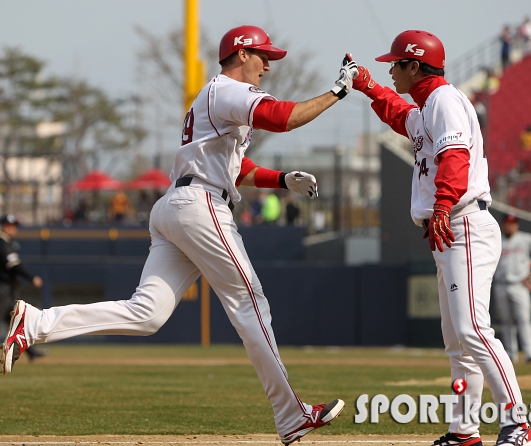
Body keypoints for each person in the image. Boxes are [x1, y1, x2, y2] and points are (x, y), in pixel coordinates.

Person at [1, 25, 357, 445]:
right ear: (241, 54)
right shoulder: (226, 89)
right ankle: (291, 413)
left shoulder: (216, 98)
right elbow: (282, 118)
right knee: (250, 302)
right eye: (264, 56)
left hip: (179, 204)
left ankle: (37, 322)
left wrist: (281, 179)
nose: (268, 66)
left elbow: (235, 168)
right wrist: (338, 91)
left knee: (146, 314)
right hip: (200, 206)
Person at [351, 30, 531, 446]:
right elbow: (399, 114)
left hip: (463, 220)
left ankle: (520, 426)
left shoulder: (444, 100)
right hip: (450, 225)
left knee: (473, 328)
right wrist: (367, 85)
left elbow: (456, 157)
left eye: (395, 64)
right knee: (457, 339)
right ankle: (464, 431)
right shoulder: (426, 106)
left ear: (414, 66)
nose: (391, 69)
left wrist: (441, 204)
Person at [493, 215, 531, 364]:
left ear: (517, 225)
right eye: (507, 224)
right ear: (503, 225)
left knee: (524, 320)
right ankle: (511, 354)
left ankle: (530, 353)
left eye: (513, 224)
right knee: (506, 321)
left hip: (519, 285)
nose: (510, 226)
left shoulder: (525, 238)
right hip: (500, 284)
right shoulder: (498, 239)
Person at [0, 215, 48, 361]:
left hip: (6, 288)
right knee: (14, 318)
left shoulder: (6, 242)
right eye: (9, 225)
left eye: (14, 225)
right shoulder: (2, 243)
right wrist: (32, 277)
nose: (12, 228)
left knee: (16, 319)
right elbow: (14, 266)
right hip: (1, 289)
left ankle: (30, 351)